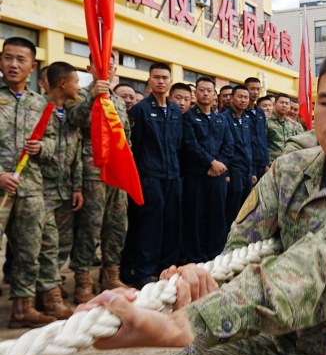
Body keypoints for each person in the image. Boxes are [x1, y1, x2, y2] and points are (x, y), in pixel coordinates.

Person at [81, 47, 326, 355]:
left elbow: (323, 266)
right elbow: (241, 253)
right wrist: (191, 286)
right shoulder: (289, 172)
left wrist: (190, 321)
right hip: (291, 347)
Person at [0, 37, 61, 328]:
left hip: (31, 187)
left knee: (29, 251)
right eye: (7, 58)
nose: (13, 64)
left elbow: (54, 143)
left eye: (20, 60)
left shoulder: (41, 105)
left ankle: (22, 309)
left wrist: (42, 148)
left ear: (32, 66)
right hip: (2, 185)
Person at [65, 53, 130, 303]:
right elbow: (74, 121)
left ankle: (110, 275)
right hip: (92, 171)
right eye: (102, 65)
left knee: (117, 226)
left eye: (111, 65)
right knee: (90, 229)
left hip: (118, 171)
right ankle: (83, 280)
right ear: (89, 67)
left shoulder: (119, 101)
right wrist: (92, 97)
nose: (108, 70)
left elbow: (125, 137)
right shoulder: (80, 95)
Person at [123, 62, 183, 289]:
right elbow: (135, 145)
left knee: (171, 223)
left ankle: (166, 268)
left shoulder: (176, 110)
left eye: (164, 77)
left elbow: (178, 143)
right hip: (150, 177)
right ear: (149, 80)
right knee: (150, 225)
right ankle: (144, 272)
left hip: (173, 176)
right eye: (156, 77)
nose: (160, 81)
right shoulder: (141, 110)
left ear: (169, 81)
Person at [39, 62, 83, 310]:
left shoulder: (70, 116)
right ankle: (48, 297)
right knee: (46, 244)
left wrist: (77, 187)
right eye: (76, 82)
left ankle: (49, 290)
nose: (78, 87)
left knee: (63, 244)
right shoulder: (38, 109)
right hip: (42, 189)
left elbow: (76, 156)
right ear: (63, 83)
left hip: (65, 190)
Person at [181, 77, 233, 262]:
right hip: (196, 174)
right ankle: (194, 257)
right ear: (195, 92)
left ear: (214, 94)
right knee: (195, 217)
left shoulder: (221, 118)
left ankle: (215, 254)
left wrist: (220, 164)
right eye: (201, 90)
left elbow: (229, 144)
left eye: (208, 90)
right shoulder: (188, 117)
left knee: (217, 215)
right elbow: (190, 144)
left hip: (217, 175)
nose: (205, 93)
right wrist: (210, 162)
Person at [222, 85, 256, 229]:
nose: (243, 100)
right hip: (233, 169)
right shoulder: (224, 118)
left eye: (246, 97)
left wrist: (253, 171)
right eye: (240, 96)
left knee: (246, 206)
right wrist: (226, 172)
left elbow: (250, 146)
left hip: (246, 169)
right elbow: (223, 146)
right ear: (232, 98)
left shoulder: (248, 119)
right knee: (232, 207)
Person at [265, 93, 304, 164]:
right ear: (274, 104)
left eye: (286, 103)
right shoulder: (267, 122)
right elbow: (261, 145)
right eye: (282, 102)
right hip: (271, 163)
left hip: (288, 164)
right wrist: (264, 164)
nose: (284, 105)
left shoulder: (292, 124)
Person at [244, 77, 269, 180]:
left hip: (262, 163)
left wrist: (266, 163)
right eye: (252, 89)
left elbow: (263, 138)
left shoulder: (260, 112)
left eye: (258, 89)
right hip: (248, 164)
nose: (255, 92)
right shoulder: (241, 112)